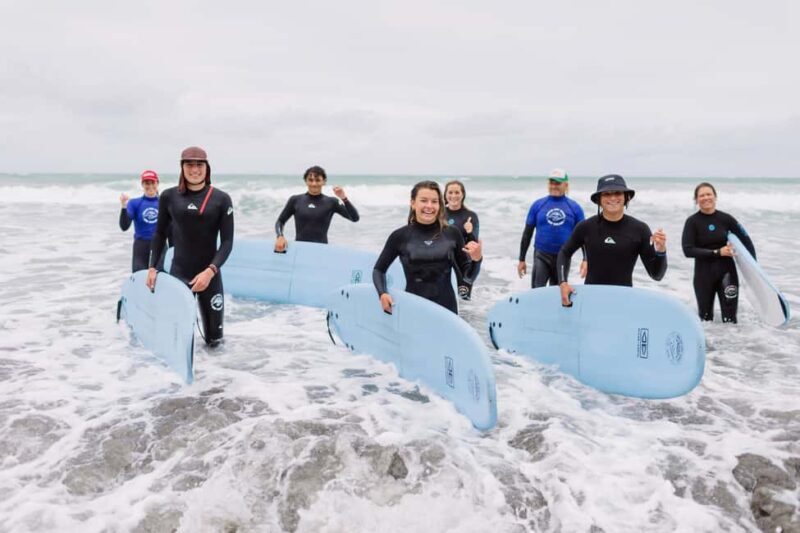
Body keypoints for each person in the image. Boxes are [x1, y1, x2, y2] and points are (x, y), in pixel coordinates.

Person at [146, 147, 234, 347]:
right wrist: (152, 267)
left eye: (199, 164)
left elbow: (227, 242)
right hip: (179, 274)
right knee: (178, 340)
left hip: (210, 278)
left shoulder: (221, 199)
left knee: (215, 340)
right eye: (189, 164)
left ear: (207, 168)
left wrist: (210, 272)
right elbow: (159, 234)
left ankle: (218, 376)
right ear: (182, 168)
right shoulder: (169, 197)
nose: (195, 169)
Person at [373, 180, 482, 315]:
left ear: (440, 205)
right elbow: (379, 269)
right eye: (424, 200)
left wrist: (477, 259)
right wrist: (382, 294)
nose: (429, 206)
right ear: (413, 203)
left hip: (447, 311)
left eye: (434, 201)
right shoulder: (400, 236)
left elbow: (468, 278)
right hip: (413, 308)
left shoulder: (452, 233)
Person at [557, 175, 667, 306]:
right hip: (591, 299)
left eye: (617, 193)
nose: (613, 198)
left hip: (623, 301)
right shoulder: (586, 227)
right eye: (606, 194)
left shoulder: (640, 229)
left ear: (626, 197)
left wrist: (661, 251)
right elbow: (565, 252)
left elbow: (656, 275)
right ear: (599, 199)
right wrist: (563, 283)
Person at [681, 182, 756, 323]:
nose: (705, 198)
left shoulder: (726, 219)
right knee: (705, 319)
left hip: (727, 275)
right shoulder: (692, 222)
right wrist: (717, 252)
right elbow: (687, 250)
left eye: (709, 194)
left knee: (730, 320)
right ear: (696, 200)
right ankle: (707, 345)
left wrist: (755, 269)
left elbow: (746, 240)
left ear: (715, 197)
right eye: (701, 195)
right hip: (703, 277)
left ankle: (732, 345)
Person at [517, 169, 587, 287]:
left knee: (558, 294)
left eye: (558, 183)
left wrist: (585, 260)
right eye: (551, 182)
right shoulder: (538, 205)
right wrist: (521, 259)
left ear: (566, 185)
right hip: (541, 255)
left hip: (563, 257)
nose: (554, 186)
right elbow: (527, 234)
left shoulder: (575, 208)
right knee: (537, 293)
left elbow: (584, 236)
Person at [274, 166, 359, 252]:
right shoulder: (295, 200)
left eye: (318, 180)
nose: (314, 184)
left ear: (324, 182)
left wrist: (344, 198)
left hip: (321, 250)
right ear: (306, 181)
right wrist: (280, 236)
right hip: (300, 249)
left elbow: (355, 218)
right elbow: (280, 221)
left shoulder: (332, 202)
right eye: (310, 180)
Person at [119, 170, 165, 272]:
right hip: (141, 245)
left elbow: (172, 227)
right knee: (140, 275)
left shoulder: (164, 202)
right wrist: (123, 207)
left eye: (152, 182)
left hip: (160, 245)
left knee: (160, 277)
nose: (150, 186)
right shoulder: (134, 203)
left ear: (157, 183)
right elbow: (124, 226)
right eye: (146, 183)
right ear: (142, 184)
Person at [444, 180, 480, 300]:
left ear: (463, 194)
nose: (453, 196)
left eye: (457, 192)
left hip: (464, 265)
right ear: (445, 194)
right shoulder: (439, 214)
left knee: (464, 301)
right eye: (450, 192)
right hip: (443, 262)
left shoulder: (471, 216)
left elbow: (474, 246)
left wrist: (469, 232)